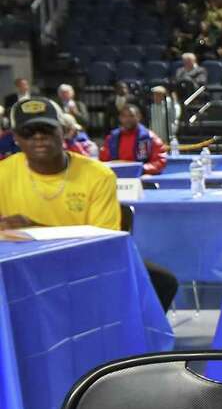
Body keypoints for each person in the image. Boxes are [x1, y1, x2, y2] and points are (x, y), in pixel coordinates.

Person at [0, 97, 178, 310]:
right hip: (21, 270)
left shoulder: (98, 175)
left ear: (64, 131)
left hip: (84, 267)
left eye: (46, 129)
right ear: (16, 138)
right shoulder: (4, 173)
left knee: (163, 282)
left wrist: (33, 233)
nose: (39, 137)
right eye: (28, 132)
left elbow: (102, 245)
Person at [100, 105, 167, 175]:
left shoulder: (150, 137)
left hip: (142, 177)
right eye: (124, 116)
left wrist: (141, 169)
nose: (128, 119)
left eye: (131, 116)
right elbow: (103, 161)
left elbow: (160, 161)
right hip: (116, 177)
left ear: (139, 117)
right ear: (120, 118)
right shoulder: (111, 138)